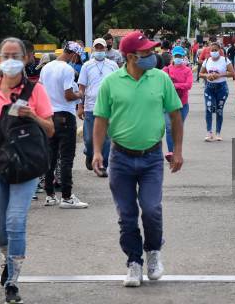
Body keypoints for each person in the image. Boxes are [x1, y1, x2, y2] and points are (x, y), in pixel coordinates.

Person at [92, 31, 184, 287]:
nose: (152, 56)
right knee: (127, 214)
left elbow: (175, 115)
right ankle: (134, 262)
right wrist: (98, 151)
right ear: (131, 56)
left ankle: (153, 251)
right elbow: (100, 119)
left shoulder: (161, 79)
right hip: (120, 157)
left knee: (152, 209)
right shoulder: (111, 82)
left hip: (152, 157)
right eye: (146, 53)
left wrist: (176, 150)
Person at [0, 37, 55, 304]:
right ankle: (10, 257)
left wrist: (33, 116)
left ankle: (12, 281)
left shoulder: (36, 91)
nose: (10, 60)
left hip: (25, 166)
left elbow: (50, 129)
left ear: (26, 58)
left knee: (15, 221)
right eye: (5, 55)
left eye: (15, 55)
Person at [40, 41, 89, 209]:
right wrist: (80, 94)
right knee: (66, 158)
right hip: (65, 117)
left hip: (49, 115)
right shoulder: (67, 69)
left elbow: (41, 90)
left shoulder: (46, 67)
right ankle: (67, 197)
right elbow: (68, 95)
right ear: (74, 54)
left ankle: (50, 195)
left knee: (50, 157)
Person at [78, 38, 119, 177]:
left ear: (105, 49)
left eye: (102, 48)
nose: (100, 51)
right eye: (97, 48)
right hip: (90, 106)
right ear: (94, 49)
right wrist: (80, 106)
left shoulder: (113, 65)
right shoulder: (87, 66)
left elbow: (118, 85)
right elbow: (81, 87)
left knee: (107, 138)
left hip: (108, 107)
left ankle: (103, 165)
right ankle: (89, 153)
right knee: (89, 139)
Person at [200, 42, 235, 142]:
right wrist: (207, 75)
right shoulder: (207, 60)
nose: (213, 52)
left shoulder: (225, 60)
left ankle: (218, 133)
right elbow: (200, 73)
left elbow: (232, 73)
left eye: (215, 50)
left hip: (222, 88)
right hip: (209, 88)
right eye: (212, 50)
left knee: (219, 110)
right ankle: (209, 132)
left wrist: (219, 75)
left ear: (220, 50)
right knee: (208, 108)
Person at [163, 46, 193, 162]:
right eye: (176, 56)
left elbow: (188, 85)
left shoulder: (187, 70)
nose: (178, 58)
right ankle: (171, 152)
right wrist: (180, 84)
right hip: (168, 104)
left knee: (178, 129)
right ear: (173, 57)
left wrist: (174, 85)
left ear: (183, 57)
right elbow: (164, 84)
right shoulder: (166, 70)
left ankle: (177, 151)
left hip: (182, 104)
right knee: (169, 128)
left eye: (180, 56)